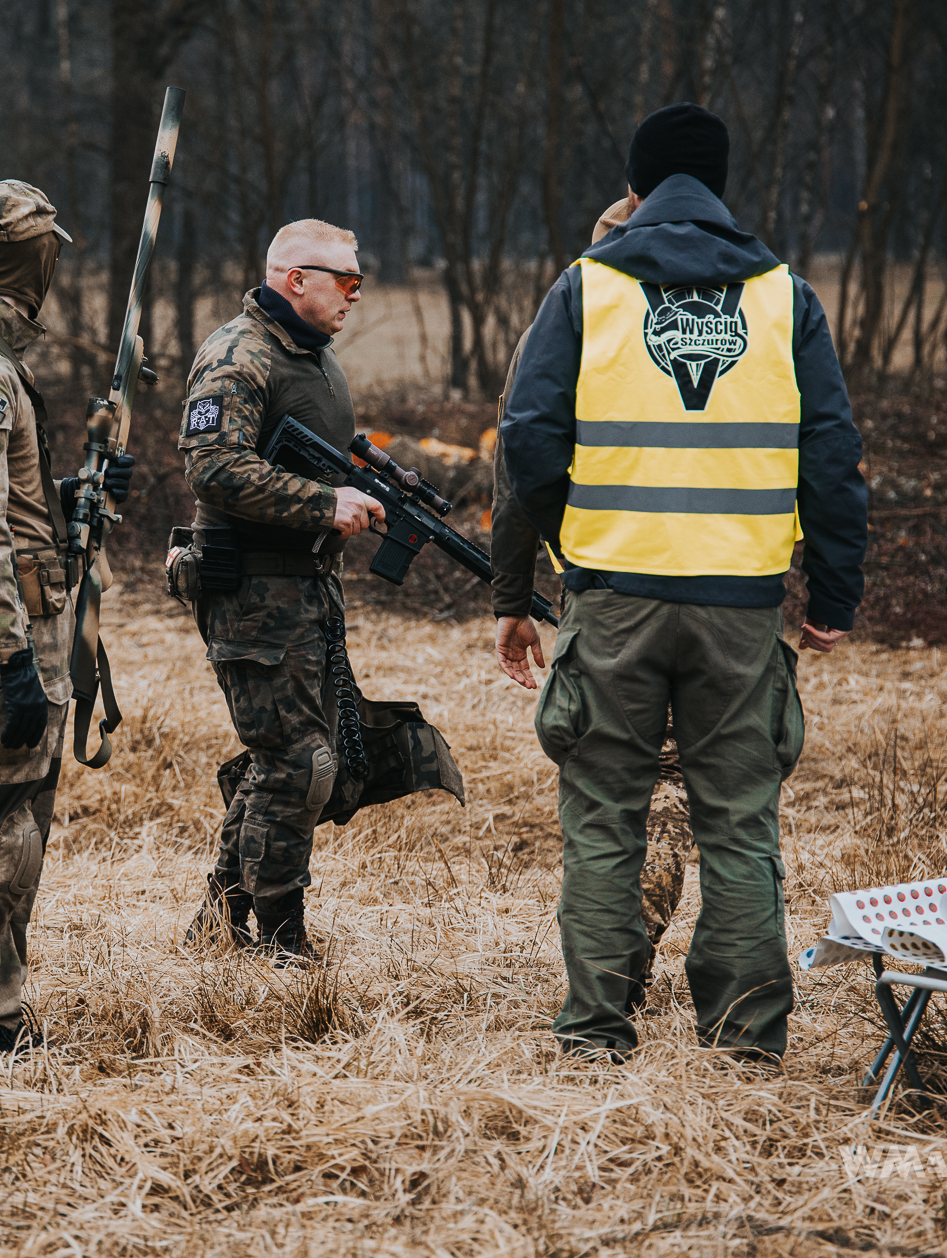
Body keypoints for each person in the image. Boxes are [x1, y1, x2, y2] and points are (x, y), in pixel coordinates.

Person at [501, 103, 867, 1063]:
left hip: (613, 600)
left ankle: (595, 1032)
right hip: (740, 608)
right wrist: (833, 594)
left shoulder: (585, 287)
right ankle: (745, 1041)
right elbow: (832, 457)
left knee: (604, 822)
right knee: (741, 828)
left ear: (636, 188)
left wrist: (576, 543)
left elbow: (526, 441)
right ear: (720, 185)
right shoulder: (786, 297)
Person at [177, 218, 462, 961]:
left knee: (290, 756)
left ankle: (221, 916)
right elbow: (212, 466)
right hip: (250, 590)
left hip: (305, 586)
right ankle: (282, 938)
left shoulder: (313, 358)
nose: (357, 295)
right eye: (347, 280)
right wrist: (323, 503)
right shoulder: (239, 354)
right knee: (300, 762)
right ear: (295, 278)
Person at [0, 180, 129, 1061]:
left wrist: (71, 496)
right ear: (33, 262)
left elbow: (8, 504)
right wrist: (5, 655)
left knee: (18, 834)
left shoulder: (0, 364)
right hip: (0, 640)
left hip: (28, 628)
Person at [489, 199, 694, 978]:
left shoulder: (567, 319)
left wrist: (513, 598)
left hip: (609, 592)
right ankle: (643, 955)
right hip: (726, 589)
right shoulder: (740, 317)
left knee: (609, 773)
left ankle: (608, 966)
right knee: (680, 781)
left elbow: (518, 470)